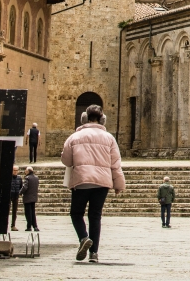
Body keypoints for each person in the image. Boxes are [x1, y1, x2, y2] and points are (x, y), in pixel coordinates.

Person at [61, 105, 125, 263]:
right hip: (102, 183)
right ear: (103, 119)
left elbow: (66, 160)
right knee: (95, 216)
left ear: (84, 118)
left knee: (76, 213)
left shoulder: (74, 137)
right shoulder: (109, 138)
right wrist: (119, 184)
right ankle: (94, 253)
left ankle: (83, 238)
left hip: (81, 180)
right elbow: (115, 163)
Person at [21, 166, 39, 231]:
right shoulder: (36, 178)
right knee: (33, 212)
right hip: (34, 197)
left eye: (25, 170)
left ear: (28, 171)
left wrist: (20, 192)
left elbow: (25, 187)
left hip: (27, 197)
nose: (25, 171)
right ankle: (35, 226)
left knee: (28, 212)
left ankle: (29, 226)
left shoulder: (27, 178)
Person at [9, 166, 22, 230]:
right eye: (14, 170)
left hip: (16, 196)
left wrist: (19, 193)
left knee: (15, 211)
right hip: (9, 196)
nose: (15, 171)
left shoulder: (19, 178)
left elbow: (21, 187)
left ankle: (13, 225)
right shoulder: (9, 178)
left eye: (16, 170)